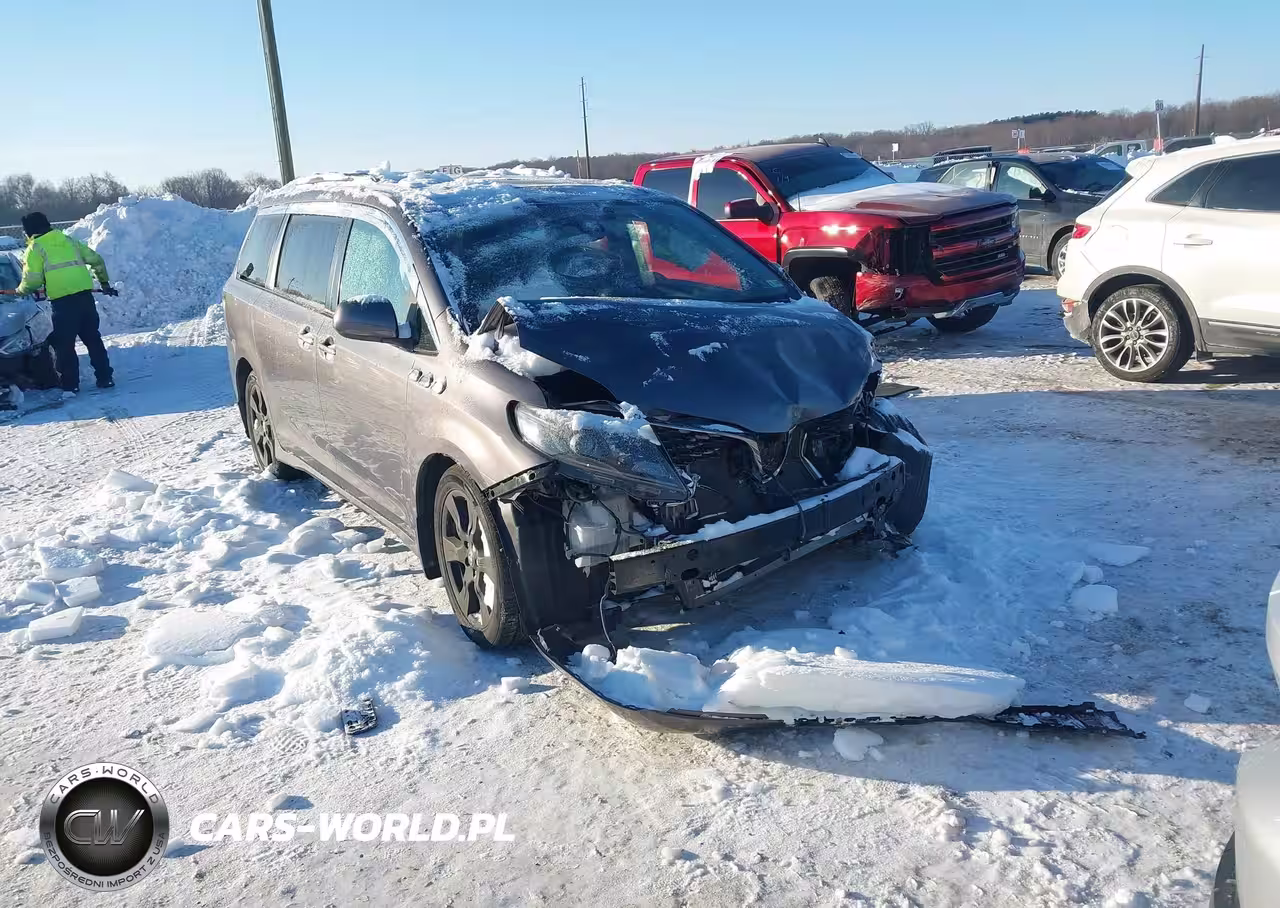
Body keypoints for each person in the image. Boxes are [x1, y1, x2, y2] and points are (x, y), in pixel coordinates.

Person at [0, 212, 118, 397]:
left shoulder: (36, 248)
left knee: (64, 345)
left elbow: (32, 281)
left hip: (63, 304)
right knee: (93, 340)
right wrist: (104, 283)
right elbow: (96, 260)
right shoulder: (69, 241)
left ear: (30, 230)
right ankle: (105, 378)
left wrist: (20, 291)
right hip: (85, 300)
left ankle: (71, 386)